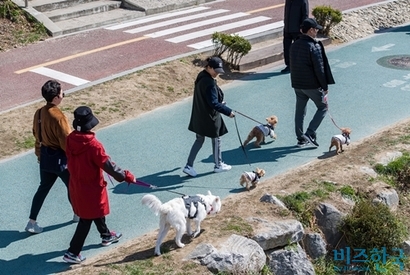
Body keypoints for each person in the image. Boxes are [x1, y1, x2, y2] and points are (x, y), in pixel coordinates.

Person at [62, 106, 136, 264]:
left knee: (93, 211)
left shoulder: (70, 139)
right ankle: (72, 252)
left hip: (76, 184)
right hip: (91, 187)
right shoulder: (93, 145)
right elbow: (107, 165)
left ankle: (106, 235)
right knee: (86, 218)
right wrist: (125, 176)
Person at [25, 80, 78, 234]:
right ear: (56, 97)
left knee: (43, 189)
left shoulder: (39, 112)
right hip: (60, 159)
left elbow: (36, 133)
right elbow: (66, 140)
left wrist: (39, 153)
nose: (63, 95)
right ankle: (77, 213)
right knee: (72, 185)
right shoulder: (59, 117)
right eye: (62, 93)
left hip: (45, 157)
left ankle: (32, 221)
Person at [183, 56, 235, 177]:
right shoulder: (210, 83)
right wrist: (228, 111)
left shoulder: (201, 75)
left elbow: (208, 99)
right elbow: (214, 103)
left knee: (199, 139)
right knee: (216, 139)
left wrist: (219, 103)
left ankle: (189, 165)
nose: (217, 73)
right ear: (209, 67)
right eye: (216, 70)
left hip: (199, 114)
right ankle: (218, 165)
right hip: (209, 117)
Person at [289, 18, 335, 148]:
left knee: (300, 111)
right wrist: (324, 87)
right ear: (310, 30)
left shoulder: (294, 44)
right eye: (316, 29)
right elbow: (319, 69)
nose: (317, 31)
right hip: (312, 85)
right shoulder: (314, 46)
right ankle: (310, 132)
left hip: (297, 84)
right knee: (323, 107)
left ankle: (300, 138)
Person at [281, 0, 309, 74]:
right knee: (286, 48)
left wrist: (302, 28)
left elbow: (305, 15)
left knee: (298, 49)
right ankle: (289, 65)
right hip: (287, 28)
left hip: (297, 30)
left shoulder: (302, 1)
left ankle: (299, 66)